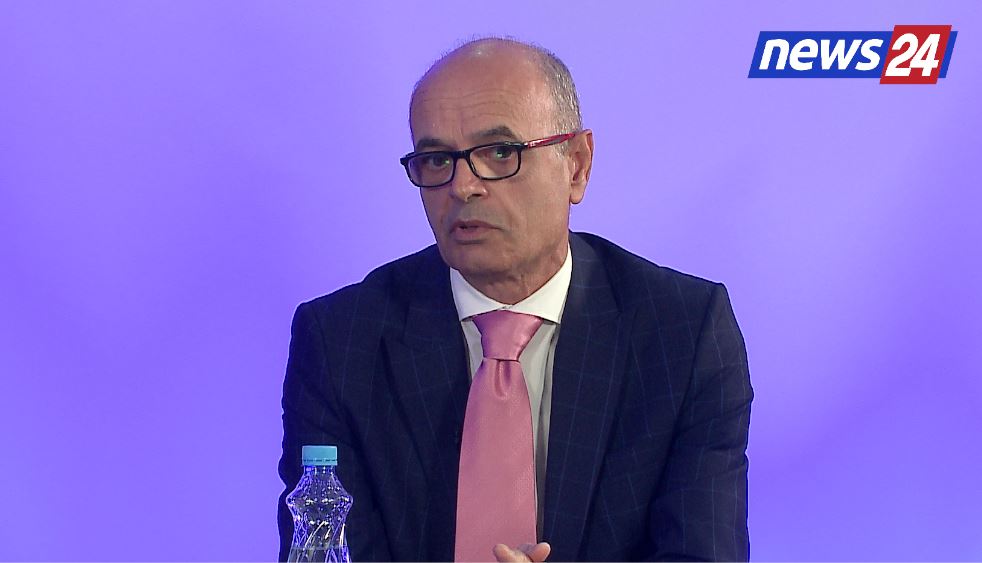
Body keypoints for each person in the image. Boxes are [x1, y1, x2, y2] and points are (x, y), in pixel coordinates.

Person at [278, 37, 752, 562]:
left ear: (577, 165)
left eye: (500, 152)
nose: (462, 186)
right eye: (436, 160)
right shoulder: (342, 340)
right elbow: (323, 550)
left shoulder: (681, 333)